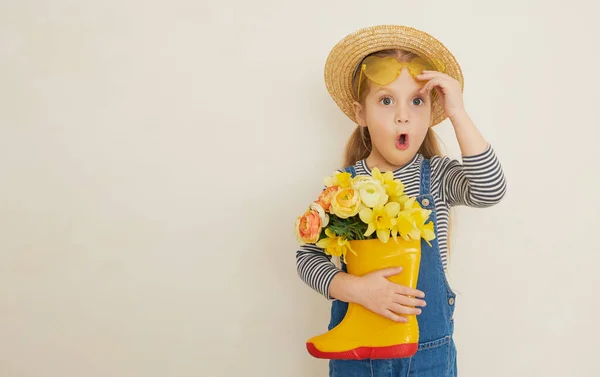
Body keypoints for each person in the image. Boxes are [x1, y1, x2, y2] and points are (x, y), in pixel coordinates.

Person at [295, 25, 507, 376]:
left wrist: (458, 113)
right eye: (386, 100)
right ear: (361, 114)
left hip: (429, 357)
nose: (402, 115)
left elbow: (490, 189)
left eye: (417, 101)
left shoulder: (438, 176)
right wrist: (356, 289)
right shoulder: (344, 188)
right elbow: (308, 257)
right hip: (357, 358)